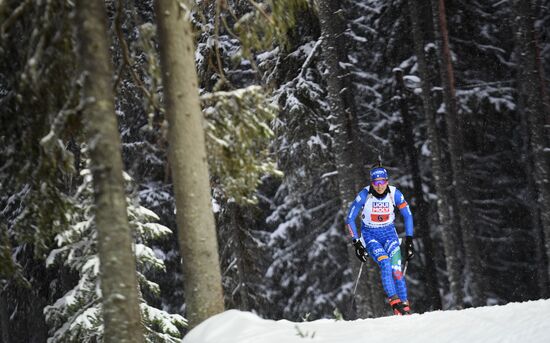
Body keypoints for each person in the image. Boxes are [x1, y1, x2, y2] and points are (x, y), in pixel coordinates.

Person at [345, 166, 415, 315]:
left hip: (390, 234)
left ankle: (405, 309)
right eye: (376, 183)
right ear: (371, 183)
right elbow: (350, 219)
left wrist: (409, 240)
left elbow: (408, 215)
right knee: (385, 263)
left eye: (382, 182)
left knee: (396, 270)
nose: (379, 186)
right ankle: (395, 302)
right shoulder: (364, 195)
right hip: (370, 235)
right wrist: (357, 243)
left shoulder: (395, 194)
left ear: (387, 181)